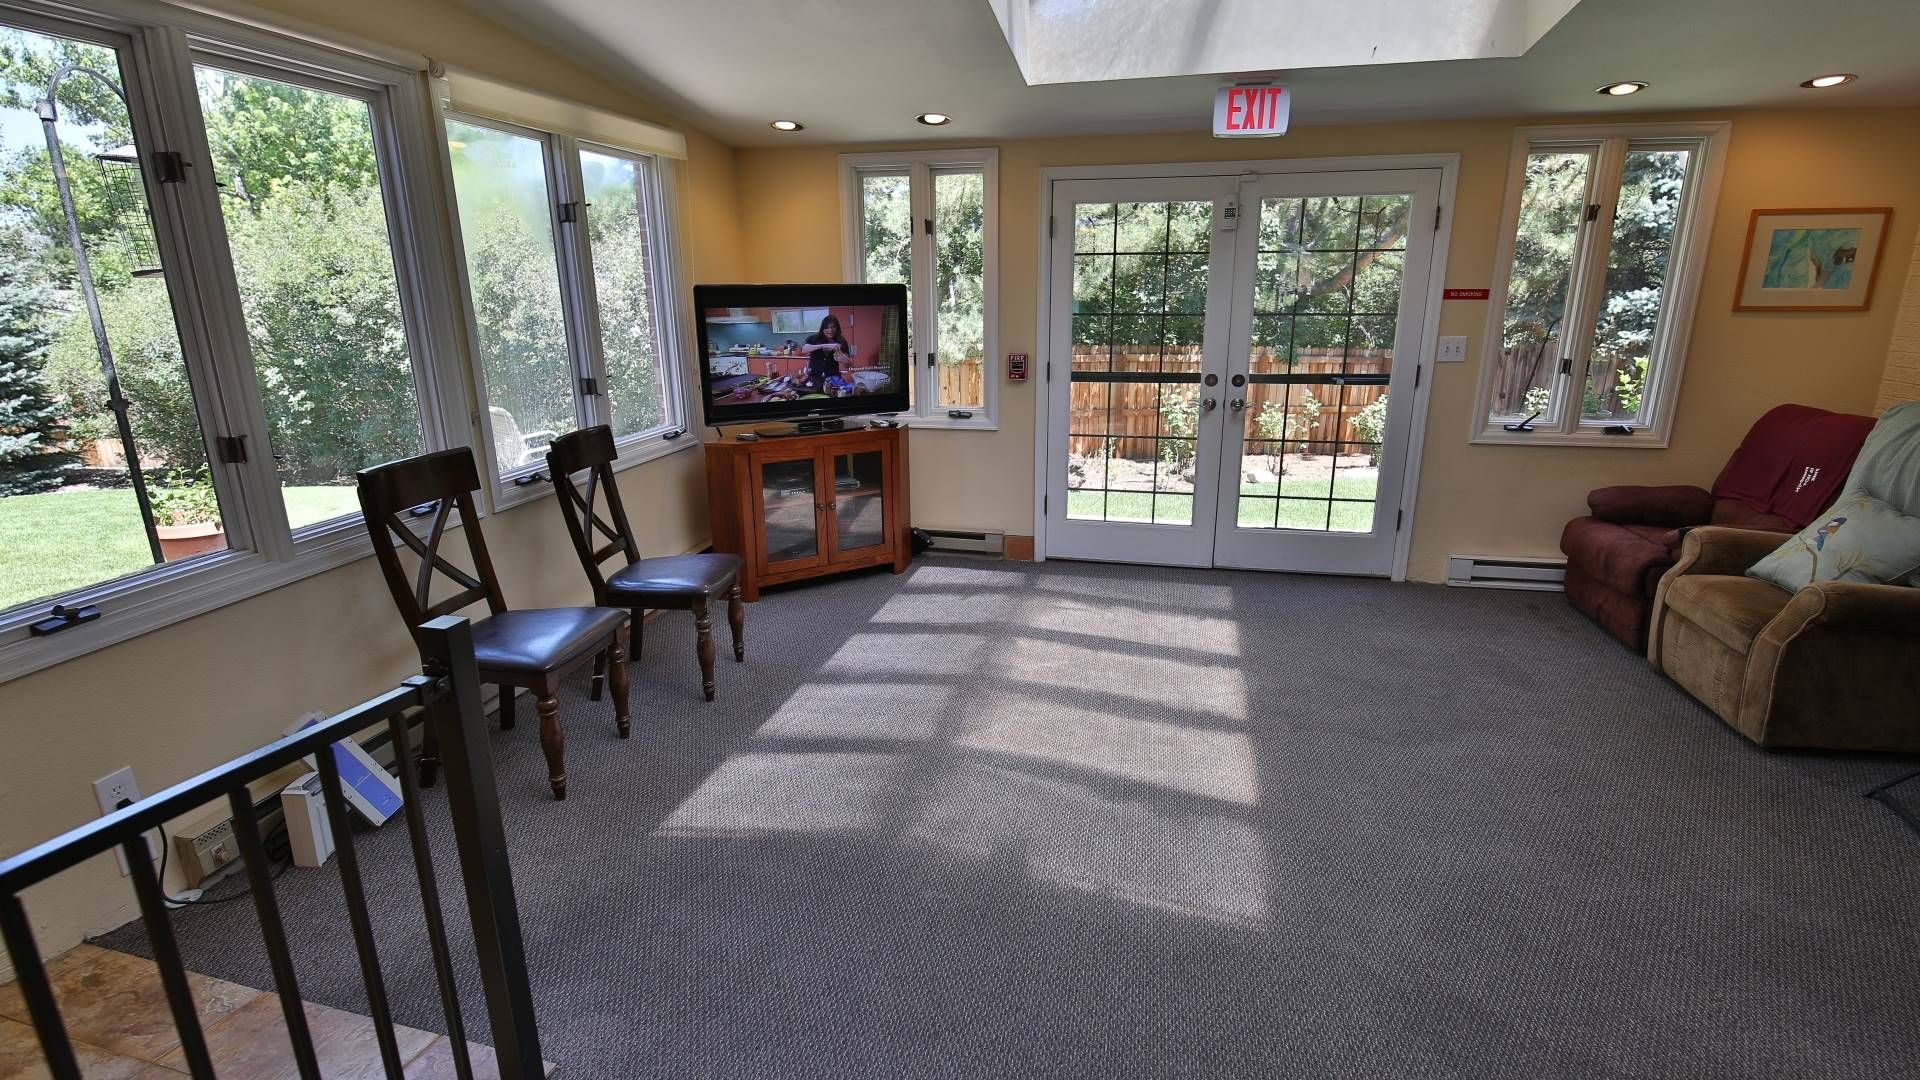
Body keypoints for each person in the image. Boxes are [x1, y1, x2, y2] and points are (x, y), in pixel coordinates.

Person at [798, 314, 855, 395]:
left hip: (833, 379)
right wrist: (824, 345)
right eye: (827, 327)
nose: (830, 330)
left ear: (837, 328)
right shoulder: (814, 338)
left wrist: (843, 359)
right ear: (822, 328)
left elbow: (848, 365)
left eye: (833, 327)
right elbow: (804, 349)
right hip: (814, 378)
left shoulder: (842, 341)